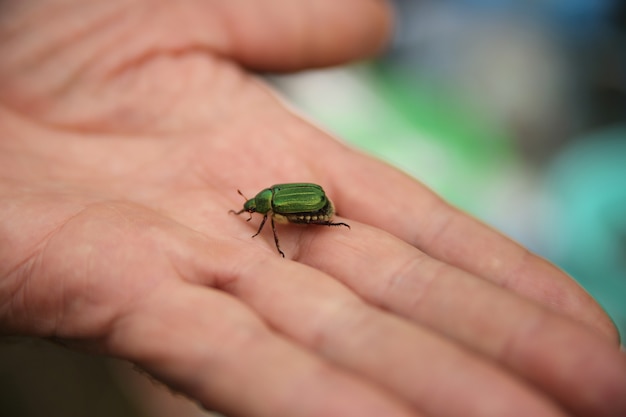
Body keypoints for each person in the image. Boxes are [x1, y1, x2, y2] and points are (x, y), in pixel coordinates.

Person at [0, 1, 624, 416]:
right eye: (253, 209)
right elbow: (270, 213)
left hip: (314, 204)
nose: (253, 211)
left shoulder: (277, 208)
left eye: (253, 208)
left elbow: (287, 215)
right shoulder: (267, 205)